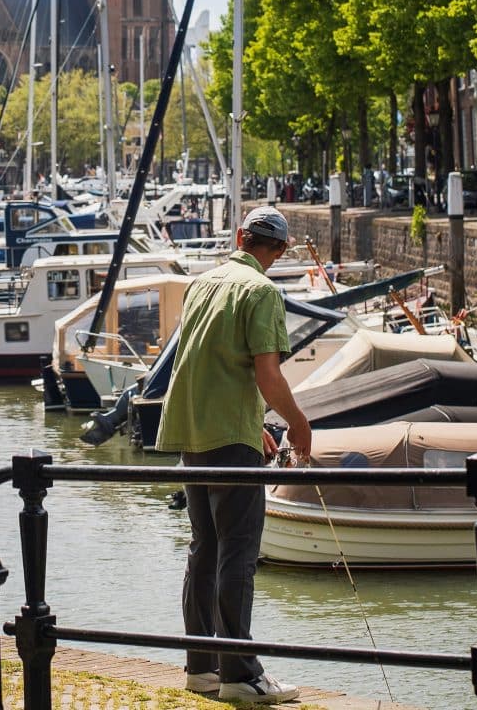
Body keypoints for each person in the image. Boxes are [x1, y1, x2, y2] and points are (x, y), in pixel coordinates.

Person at [156, 205, 310, 705]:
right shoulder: (263, 291)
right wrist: (299, 425)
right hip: (228, 437)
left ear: (241, 236)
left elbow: (207, 363)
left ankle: (201, 668)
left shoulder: (203, 283)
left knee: (204, 548)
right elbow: (267, 375)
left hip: (191, 430)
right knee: (238, 553)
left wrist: (253, 425)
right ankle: (241, 675)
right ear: (280, 250)